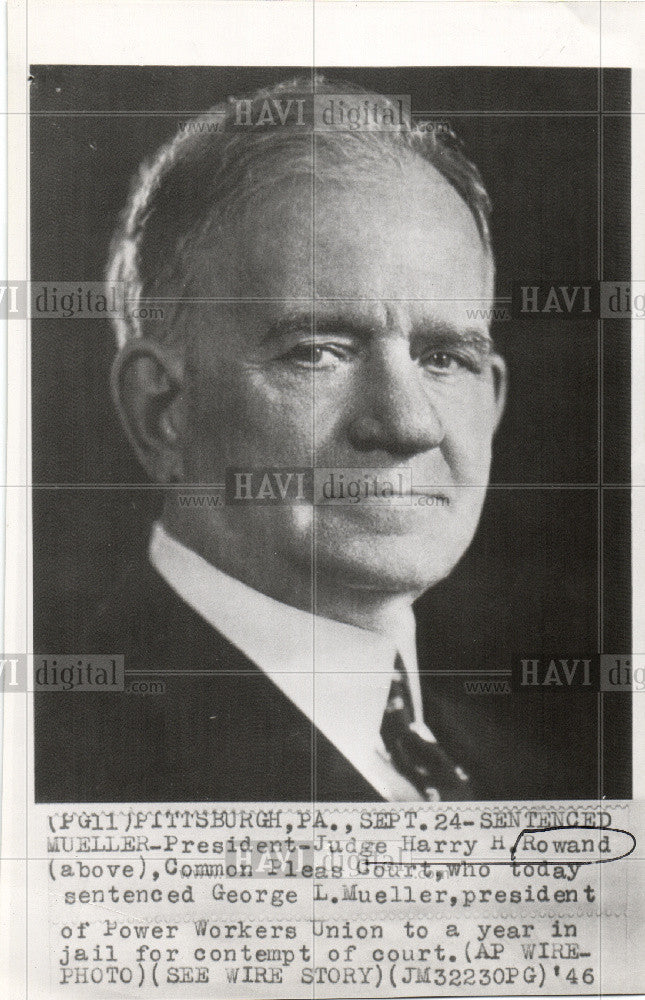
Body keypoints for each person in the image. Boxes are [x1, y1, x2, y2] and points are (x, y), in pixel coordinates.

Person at [34, 77, 591, 802]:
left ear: (491, 400)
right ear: (163, 411)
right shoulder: (56, 766)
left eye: (444, 358)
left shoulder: (543, 785)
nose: (407, 424)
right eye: (317, 351)